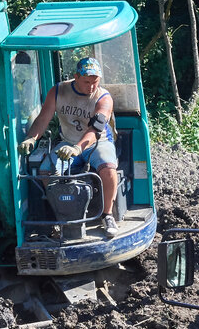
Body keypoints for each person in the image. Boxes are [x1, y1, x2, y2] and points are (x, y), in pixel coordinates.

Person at [18, 57, 121, 237]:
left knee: (108, 168)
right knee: (45, 170)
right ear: (76, 77)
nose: (91, 86)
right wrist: (31, 139)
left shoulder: (103, 98)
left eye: (95, 82)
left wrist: (78, 148)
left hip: (97, 142)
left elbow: (96, 128)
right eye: (86, 81)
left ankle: (107, 214)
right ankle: (61, 215)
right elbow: (43, 118)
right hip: (68, 142)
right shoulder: (58, 91)